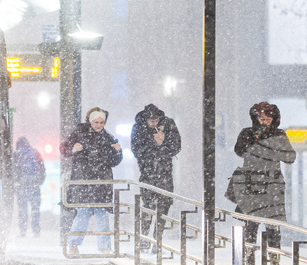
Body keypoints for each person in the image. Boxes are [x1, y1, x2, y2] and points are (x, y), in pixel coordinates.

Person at [233, 102, 296, 265]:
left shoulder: (279, 134)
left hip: (272, 185)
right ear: (255, 118)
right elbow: (239, 151)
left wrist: (272, 146)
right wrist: (257, 140)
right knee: (250, 224)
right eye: (261, 119)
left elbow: (290, 157)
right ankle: (248, 259)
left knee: (273, 225)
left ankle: (274, 261)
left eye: (268, 120)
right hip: (251, 183)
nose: (264, 123)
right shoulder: (247, 133)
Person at [60, 107, 123, 256]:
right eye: (96, 122)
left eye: (102, 122)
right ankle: (73, 244)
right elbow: (63, 148)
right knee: (83, 213)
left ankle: (104, 247)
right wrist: (72, 149)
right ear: (90, 121)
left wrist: (118, 152)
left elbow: (114, 161)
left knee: (101, 213)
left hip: (101, 182)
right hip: (84, 181)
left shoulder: (109, 138)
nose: (99, 125)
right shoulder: (79, 133)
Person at [130, 103, 182, 248]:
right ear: (145, 120)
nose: (154, 123)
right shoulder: (138, 128)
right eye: (151, 121)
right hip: (147, 173)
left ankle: (157, 239)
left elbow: (176, 146)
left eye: (156, 120)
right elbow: (136, 150)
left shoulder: (169, 124)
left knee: (164, 206)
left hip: (165, 173)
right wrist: (154, 143)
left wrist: (163, 143)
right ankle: (144, 238)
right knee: (148, 207)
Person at [13, 137, 46, 238]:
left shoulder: (16, 154)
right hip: (34, 185)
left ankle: (23, 231)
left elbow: (14, 170)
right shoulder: (35, 153)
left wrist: (16, 183)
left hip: (22, 186)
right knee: (35, 209)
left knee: (23, 209)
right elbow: (42, 169)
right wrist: (39, 182)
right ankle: (36, 230)